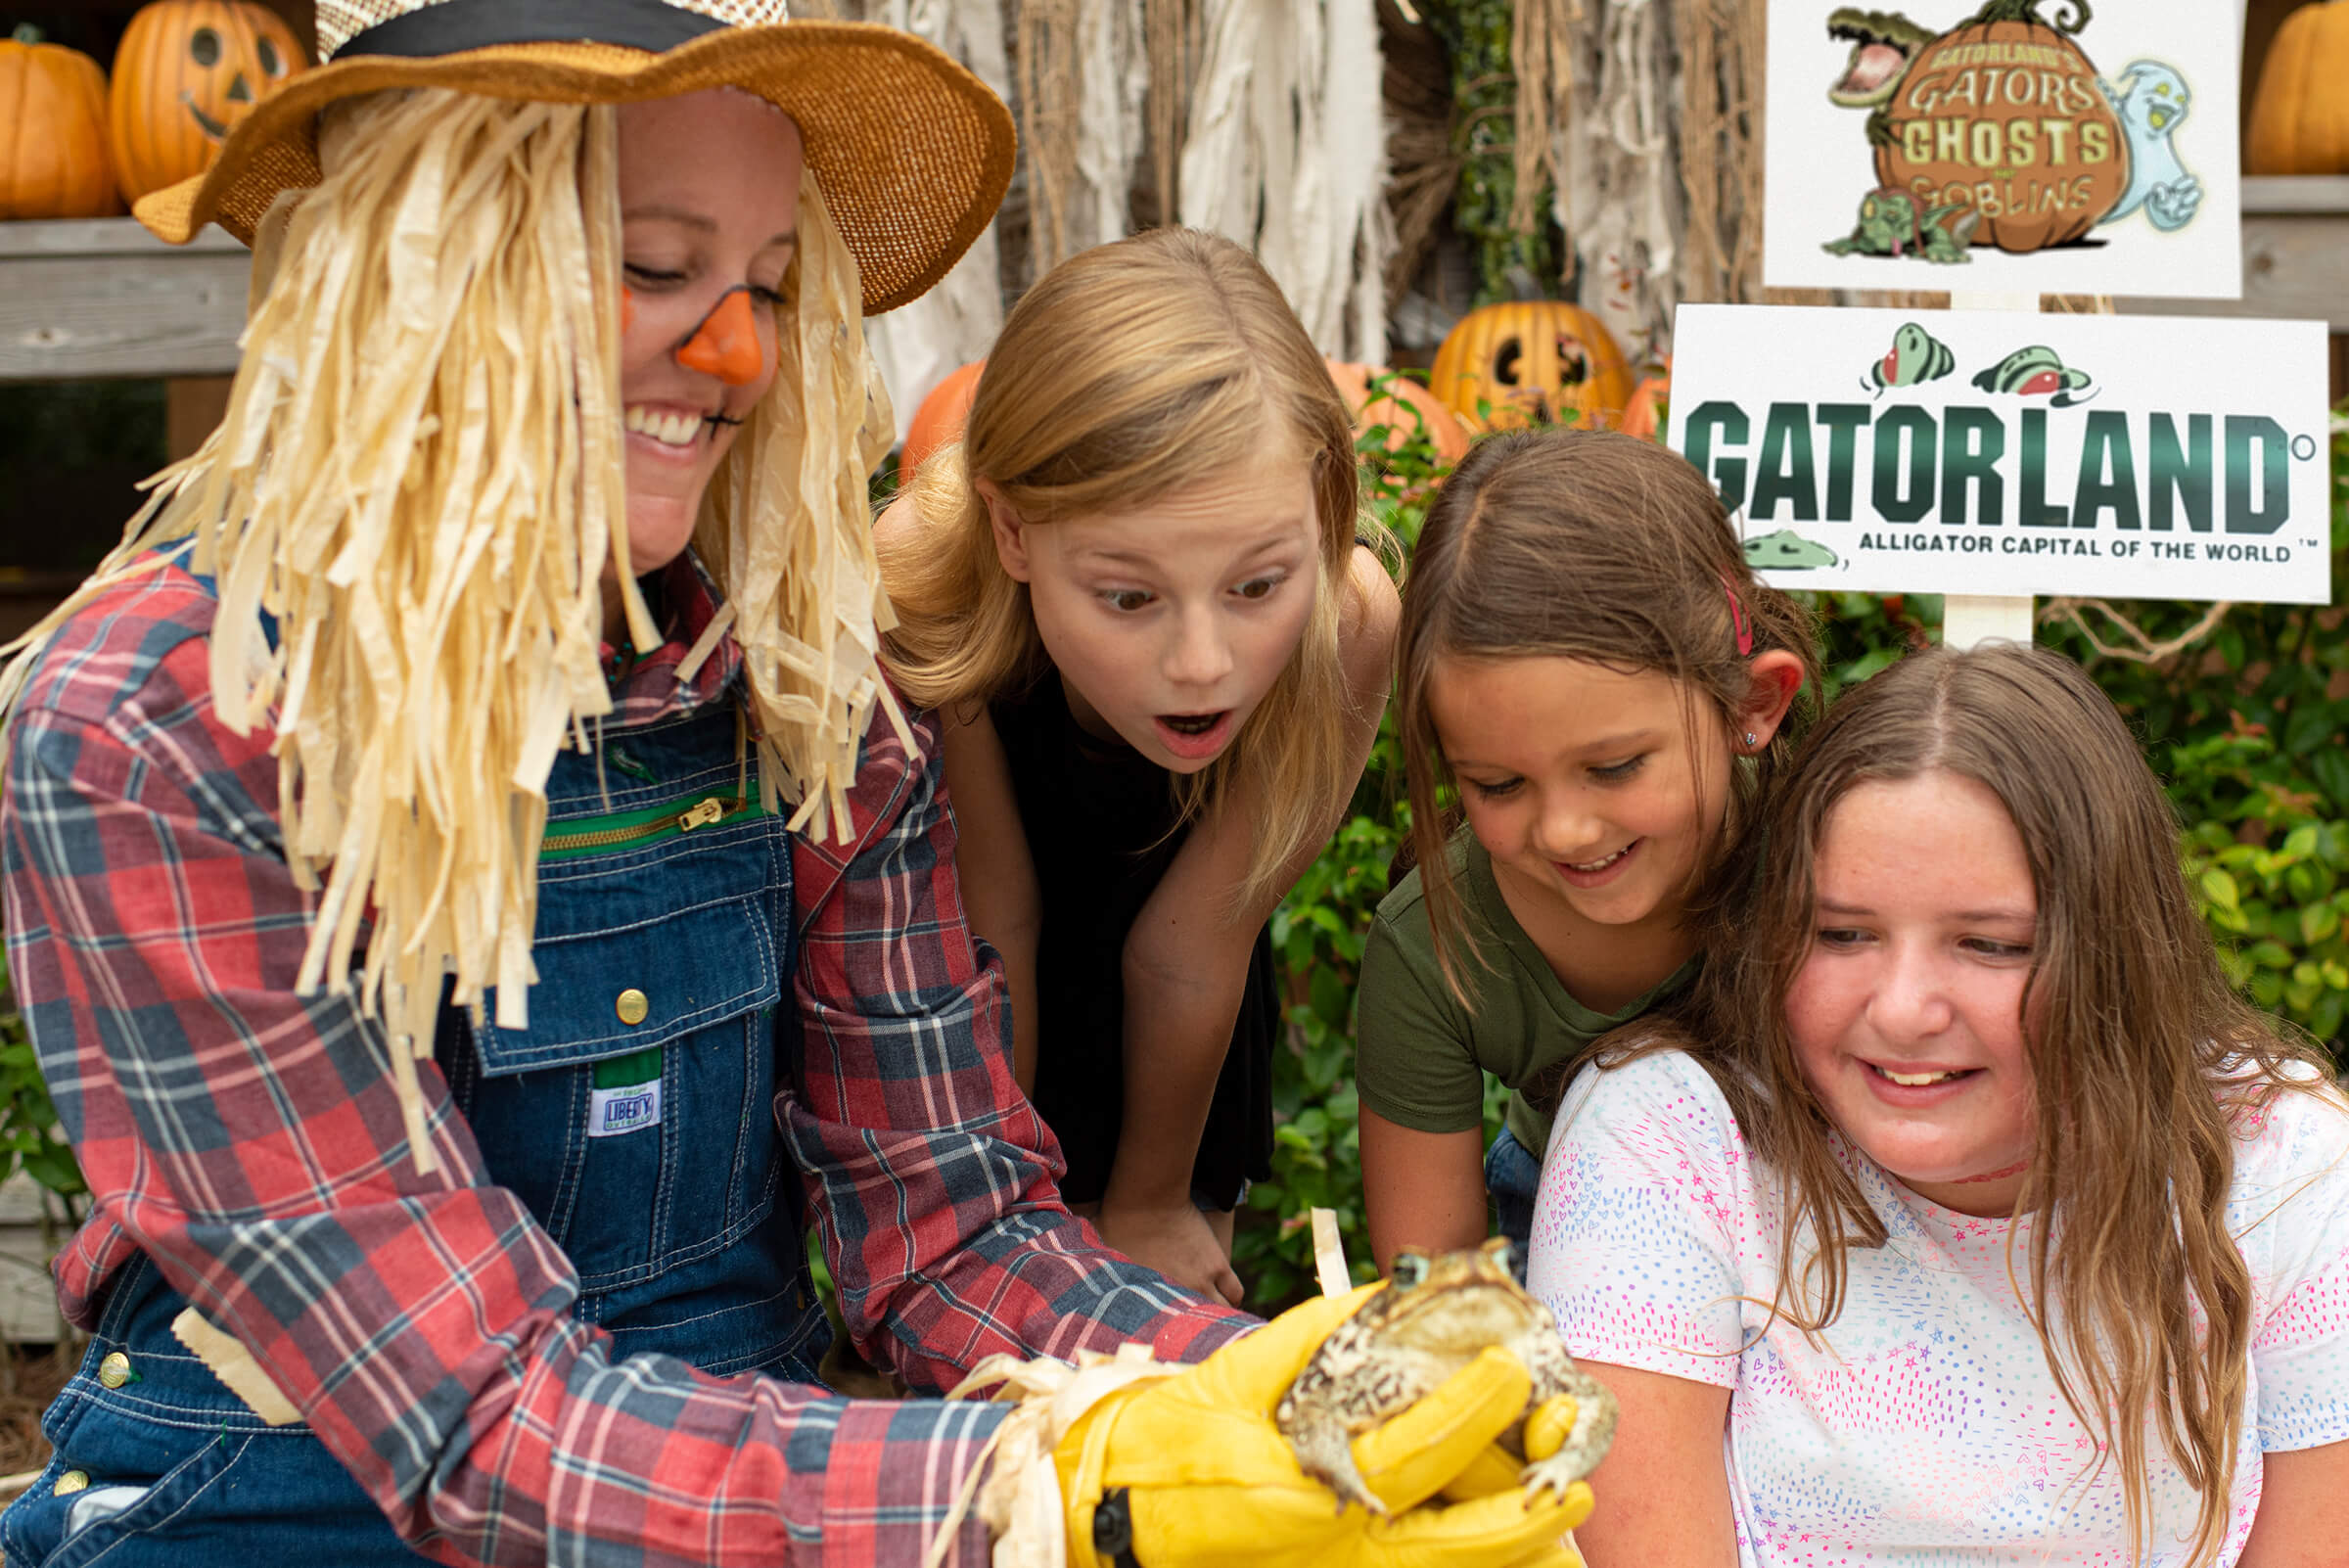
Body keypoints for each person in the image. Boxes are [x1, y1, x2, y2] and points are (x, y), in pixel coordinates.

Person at [0, 5, 1583, 1565]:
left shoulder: (809, 686)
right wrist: (1060, 1484)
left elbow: (950, 1229)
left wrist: (1292, 1398)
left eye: (766, 284)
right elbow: (478, 1416)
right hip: (293, 1513)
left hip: (758, 1491)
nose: (735, 351)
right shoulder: (158, 718)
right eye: (657, 268)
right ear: (430, 269)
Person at [1531, 644, 2349, 1567]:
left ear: (2117, 956)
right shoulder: (1674, 1138)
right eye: (1842, 934)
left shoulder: (2285, 1163)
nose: (1902, 1010)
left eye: (1989, 946)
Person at [875, 228, 1400, 1305]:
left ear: (1324, 508)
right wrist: (1000, 1226)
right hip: (985, 1010)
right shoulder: (928, 590)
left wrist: (1153, 1204)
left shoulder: (1346, 623)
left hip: (1188, 1042)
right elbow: (994, 915)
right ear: (1013, 533)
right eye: (1129, 598)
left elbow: (1195, 939)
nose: (1202, 666)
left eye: (1257, 586)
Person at [1354, 430, 1813, 1273]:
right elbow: (1439, 1300)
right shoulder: (1429, 953)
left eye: (1614, 767)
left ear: (1752, 702)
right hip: (1565, 1228)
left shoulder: (1840, 866)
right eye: (1497, 784)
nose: (1565, 830)